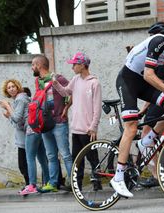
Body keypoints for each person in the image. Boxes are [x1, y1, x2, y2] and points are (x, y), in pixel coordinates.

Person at [111, 16, 164, 197]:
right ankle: (118, 177)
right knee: (131, 126)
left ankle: (147, 141)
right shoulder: (159, 41)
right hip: (128, 81)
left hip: (143, 84)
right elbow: (149, 75)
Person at [51, 52, 103, 191]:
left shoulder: (94, 83)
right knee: (77, 160)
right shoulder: (75, 79)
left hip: (88, 130)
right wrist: (55, 83)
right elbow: (65, 92)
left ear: (82, 65)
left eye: (75, 64)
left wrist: (93, 126)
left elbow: (97, 108)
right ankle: (77, 186)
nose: (72, 67)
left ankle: (97, 183)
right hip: (76, 129)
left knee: (93, 159)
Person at [136, 22, 164, 188]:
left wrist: (144, 109)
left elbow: (155, 87)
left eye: (152, 36)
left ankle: (155, 176)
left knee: (145, 136)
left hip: (160, 102)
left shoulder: (162, 59)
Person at [30, 55, 73, 192]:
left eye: (33, 65)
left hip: (59, 122)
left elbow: (71, 93)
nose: (32, 68)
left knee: (65, 154)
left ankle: (74, 183)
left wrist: (66, 108)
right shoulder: (38, 82)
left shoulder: (58, 78)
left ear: (39, 65)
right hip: (45, 124)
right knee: (51, 156)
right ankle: (53, 183)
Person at [0, 80, 30, 191]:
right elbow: (16, 122)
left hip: (26, 137)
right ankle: (29, 184)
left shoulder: (20, 99)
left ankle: (30, 185)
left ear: (17, 87)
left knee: (24, 164)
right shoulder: (17, 100)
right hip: (21, 138)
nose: (11, 89)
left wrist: (8, 106)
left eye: (13, 86)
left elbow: (18, 120)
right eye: (9, 87)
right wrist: (9, 117)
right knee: (23, 165)